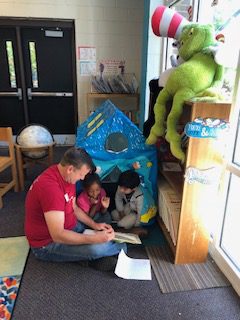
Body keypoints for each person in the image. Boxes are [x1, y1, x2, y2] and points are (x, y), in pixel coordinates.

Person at [25, 147, 126, 271]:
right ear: (70, 169)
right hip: (47, 244)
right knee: (98, 248)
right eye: (81, 174)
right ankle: (100, 255)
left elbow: (74, 207)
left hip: (71, 226)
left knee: (101, 229)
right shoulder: (51, 189)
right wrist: (94, 239)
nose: (83, 179)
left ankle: (91, 257)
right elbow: (58, 235)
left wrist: (94, 225)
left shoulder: (66, 176)